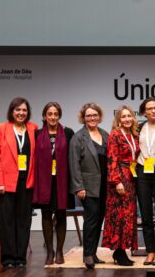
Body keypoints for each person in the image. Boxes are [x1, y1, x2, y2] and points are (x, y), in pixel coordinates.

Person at [0, 97, 37, 269]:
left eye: (24, 110)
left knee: (24, 221)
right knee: (7, 222)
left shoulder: (33, 128)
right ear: (12, 111)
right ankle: (8, 258)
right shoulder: (1, 128)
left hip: (27, 183)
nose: (21, 113)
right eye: (18, 110)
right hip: (6, 183)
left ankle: (20, 257)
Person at [32, 102, 75, 266]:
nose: (53, 117)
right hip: (44, 181)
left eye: (56, 114)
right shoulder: (37, 134)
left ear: (59, 116)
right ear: (44, 116)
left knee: (61, 214)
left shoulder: (68, 133)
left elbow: (72, 157)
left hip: (62, 181)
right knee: (46, 215)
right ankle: (49, 252)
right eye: (49, 114)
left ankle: (59, 251)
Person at [69, 103, 109, 269]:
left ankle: (93, 252)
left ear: (99, 116)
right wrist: (79, 187)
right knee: (91, 220)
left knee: (99, 219)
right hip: (88, 187)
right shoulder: (78, 137)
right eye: (88, 116)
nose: (92, 118)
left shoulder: (105, 134)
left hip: (105, 186)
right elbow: (74, 164)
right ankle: (87, 255)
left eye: (95, 115)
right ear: (83, 118)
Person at [102, 105, 141, 266]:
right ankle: (119, 252)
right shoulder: (115, 135)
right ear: (118, 120)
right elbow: (112, 159)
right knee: (119, 216)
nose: (127, 119)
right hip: (119, 179)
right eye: (123, 117)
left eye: (129, 116)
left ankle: (122, 250)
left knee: (128, 215)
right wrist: (116, 181)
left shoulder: (133, 134)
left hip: (131, 178)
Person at [136, 97, 155, 266]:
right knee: (146, 213)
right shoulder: (138, 128)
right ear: (144, 112)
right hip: (142, 171)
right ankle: (150, 250)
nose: (154, 111)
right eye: (150, 108)